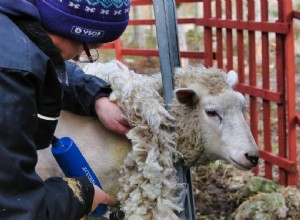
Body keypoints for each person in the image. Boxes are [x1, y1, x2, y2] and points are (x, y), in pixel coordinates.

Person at [0, 0, 131, 219]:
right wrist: (80, 196)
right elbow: (13, 207)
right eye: (87, 49)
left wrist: (96, 98)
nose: (78, 58)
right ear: (68, 27)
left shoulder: (13, 32)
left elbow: (48, 64)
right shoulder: (10, 77)